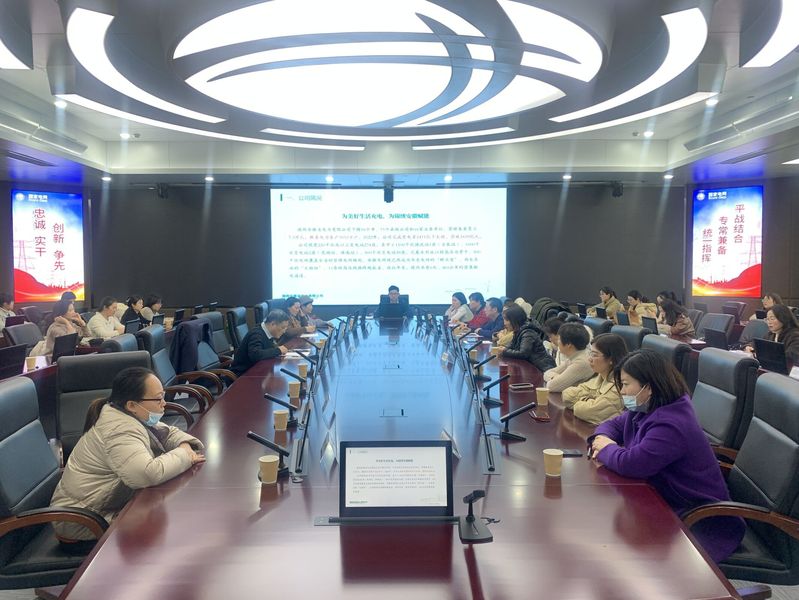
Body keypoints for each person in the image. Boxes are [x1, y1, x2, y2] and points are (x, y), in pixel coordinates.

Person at [589, 350, 745, 563]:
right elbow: (612, 424)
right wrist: (602, 438)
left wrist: (606, 448)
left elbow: (633, 464)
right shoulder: (646, 406)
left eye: (625, 384)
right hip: (666, 500)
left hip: (702, 519)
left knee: (632, 556)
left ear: (649, 387)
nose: (622, 391)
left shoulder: (671, 423)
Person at [50, 367, 205, 541]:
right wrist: (185, 455)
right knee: (174, 531)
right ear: (132, 404)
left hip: (106, 507)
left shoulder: (129, 414)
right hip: (82, 520)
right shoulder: (118, 429)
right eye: (158, 398)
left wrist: (184, 445)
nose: (164, 403)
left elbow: (168, 433)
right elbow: (146, 474)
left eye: (163, 396)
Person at [562, 333, 627, 425]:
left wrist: (584, 400)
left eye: (594, 355)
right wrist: (591, 400)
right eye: (590, 353)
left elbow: (587, 412)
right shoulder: (601, 377)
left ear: (611, 359)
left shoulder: (620, 385)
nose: (589, 359)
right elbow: (567, 395)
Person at [497, 304, 555, 372]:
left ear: (515, 320)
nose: (504, 323)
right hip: (532, 367)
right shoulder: (518, 331)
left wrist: (504, 351)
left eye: (507, 320)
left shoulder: (528, 332)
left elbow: (523, 354)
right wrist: (504, 349)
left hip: (541, 368)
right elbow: (511, 345)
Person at [231, 310, 290, 376]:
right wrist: (278, 350)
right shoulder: (256, 334)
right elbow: (255, 355)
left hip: (257, 371)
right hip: (243, 374)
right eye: (283, 327)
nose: (284, 331)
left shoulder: (267, 333)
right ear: (273, 324)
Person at [543, 322, 593, 392]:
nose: (557, 342)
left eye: (559, 339)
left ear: (569, 344)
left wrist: (556, 379)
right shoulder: (574, 356)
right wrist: (557, 378)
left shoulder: (581, 362)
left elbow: (551, 386)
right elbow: (546, 373)